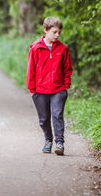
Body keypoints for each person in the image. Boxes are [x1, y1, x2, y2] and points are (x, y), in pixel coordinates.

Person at [27, 16, 73, 155]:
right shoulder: (36, 48)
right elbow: (31, 69)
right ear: (45, 30)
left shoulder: (62, 49)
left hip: (58, 89)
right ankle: (48, 139)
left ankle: (60, 143)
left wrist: (65, 84)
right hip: (40, 90)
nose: (57, 35)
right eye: (54, 32)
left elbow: (67, 68)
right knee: (44, 119)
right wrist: (32, 88)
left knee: (57, 115)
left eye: (59, 32)